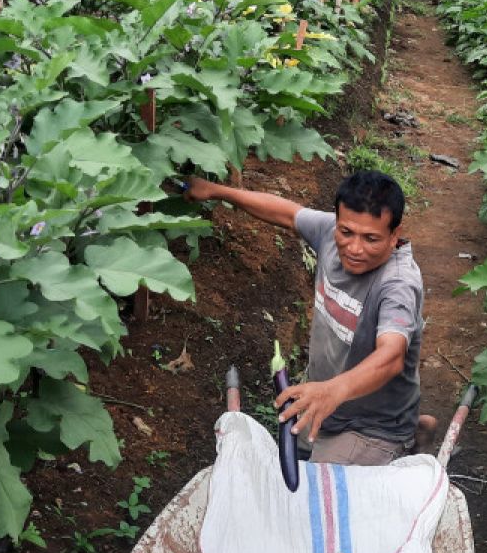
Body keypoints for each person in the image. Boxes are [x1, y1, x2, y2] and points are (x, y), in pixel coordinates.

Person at [185, 170, 433, 466]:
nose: (354, 248)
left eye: (371, 238)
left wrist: (333, 390)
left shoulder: (398, 284)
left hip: (371, 425)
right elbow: (287, 214)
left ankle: (403, 438)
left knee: (318, 497)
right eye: (346, 232)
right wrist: (215, 191)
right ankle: (417, 429)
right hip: (325, 401)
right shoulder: (331, 232)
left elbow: (392, 356)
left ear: (395, 235)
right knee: (295, 459)